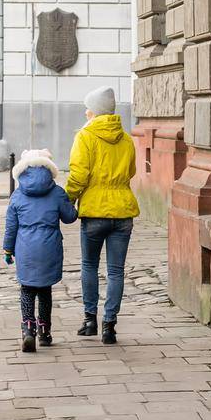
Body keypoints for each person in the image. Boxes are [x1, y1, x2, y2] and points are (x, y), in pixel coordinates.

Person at [66, 86, 139, 346]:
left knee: (89, 266)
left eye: (88, 108)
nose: (86, 112)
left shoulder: (85, 136)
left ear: (93, 112)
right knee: (116, 271)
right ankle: (110, 325)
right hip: (122, 211)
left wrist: (69, 199)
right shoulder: (127, 139)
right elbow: (130, 172)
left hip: (94, 212)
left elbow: (79, 174)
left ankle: (89, 321)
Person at [2, 149, 78, 353]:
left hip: (25, 248)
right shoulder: (57, 192)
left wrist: (8, 250)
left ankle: (28, 329)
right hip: (49, 246)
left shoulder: (17, 195)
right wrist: (73, 202)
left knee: (27, 289)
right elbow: (70, 217)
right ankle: (44, 331)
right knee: (45, 291)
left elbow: (11, 227)